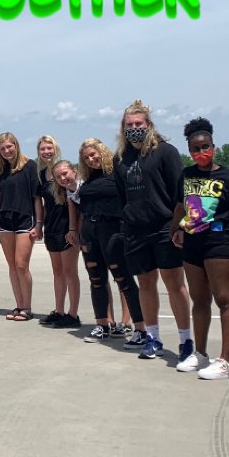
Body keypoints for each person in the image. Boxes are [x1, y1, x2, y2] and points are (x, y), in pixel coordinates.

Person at [114, 100, 191, 361]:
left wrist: (180, 225)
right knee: (145, 284)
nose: (134, 128)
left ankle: (185, 340)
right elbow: (122, 195)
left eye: (139, 124)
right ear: (123, 128)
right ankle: (153, 337)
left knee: (174, 284)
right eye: (129, 125)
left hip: (164, 227)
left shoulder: (165, 152)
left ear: (149, 125)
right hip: (136, 230)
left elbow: (180, 192)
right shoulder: (121, 159)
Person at [171, 118, 229, 380]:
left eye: (205, 147)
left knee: (225, 300)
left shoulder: (227, 176)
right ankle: (200, 353)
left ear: (213, 146)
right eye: (195, 149)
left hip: (220, 242)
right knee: (199, 300)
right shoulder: (187, 174)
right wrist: (174, 230)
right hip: (192, 243)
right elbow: (181, 206)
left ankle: (226, 361)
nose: (201, 153)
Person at [67, 140, 146, 344]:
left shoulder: (118, 172)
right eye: (86, 157)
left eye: (93, 154)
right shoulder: (87, 179)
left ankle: (140, 329)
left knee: (124, 280)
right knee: (96, 281)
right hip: (90, 232)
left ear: (102, 152)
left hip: (113, 231)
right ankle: (102, 325)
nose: (91, 159)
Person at [0, 132, 42, 321]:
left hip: (24, 220)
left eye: (9, 146)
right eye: (2, 148)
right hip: (4, 221)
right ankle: (19, 305)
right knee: (11, 265)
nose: (7, 151)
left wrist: (39, 223)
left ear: (16, 145)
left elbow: (37, 198)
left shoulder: (30, 166)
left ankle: (27, 307)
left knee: (21, 264)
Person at [35, 136, 81, 329]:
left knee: (70, 271)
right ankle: (59, 310)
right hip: (51, 225)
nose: (46, 152)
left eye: (49, 148)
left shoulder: (65, 171)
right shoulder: (42, 173)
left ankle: (73, 314)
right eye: (43, 149)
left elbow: (73, 199)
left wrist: (73, 228)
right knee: (57, 272)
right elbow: (41, 202)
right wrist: (39, 224)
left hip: (67, 225)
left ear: (56, 149)